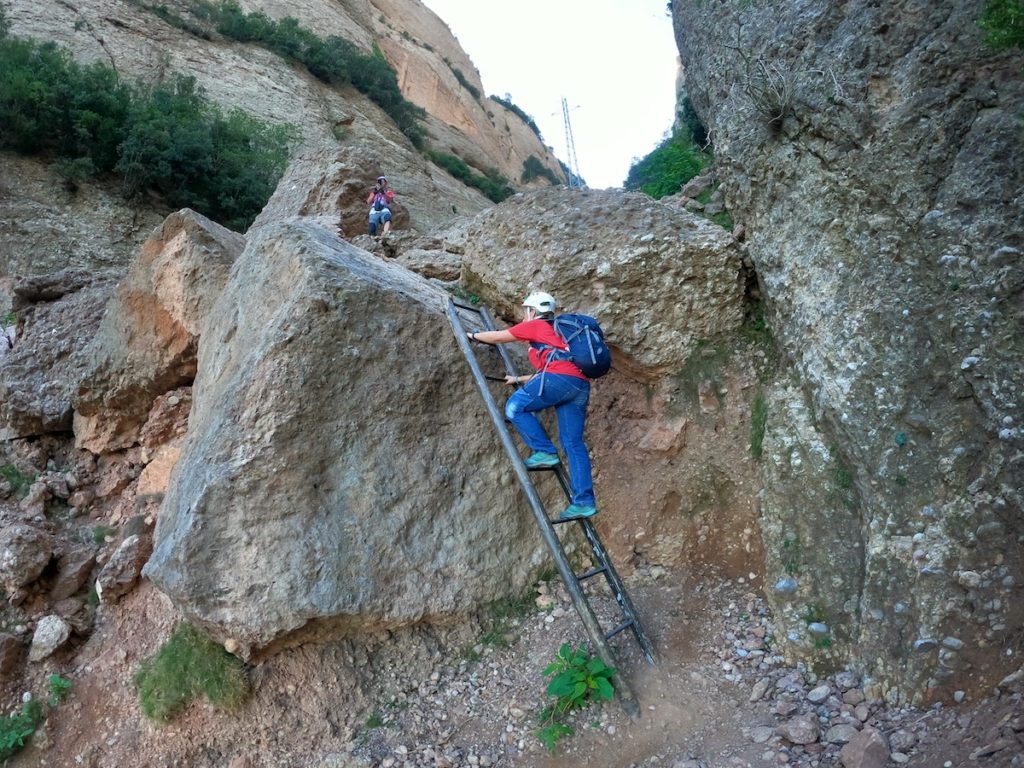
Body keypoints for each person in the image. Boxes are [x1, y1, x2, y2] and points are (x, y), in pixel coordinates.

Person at [467, 291, 598, 521]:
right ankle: (584, 502)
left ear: (533, 311)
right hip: (579, 386)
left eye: (526, 310)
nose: (525, 314)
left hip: (561, 380)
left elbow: (498, 337)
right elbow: (553, 367)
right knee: (573, 443)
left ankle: (545, 451)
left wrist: (473, 334)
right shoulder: (559, 333)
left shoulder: (536, 326)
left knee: (514, 408)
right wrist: (518, 380)